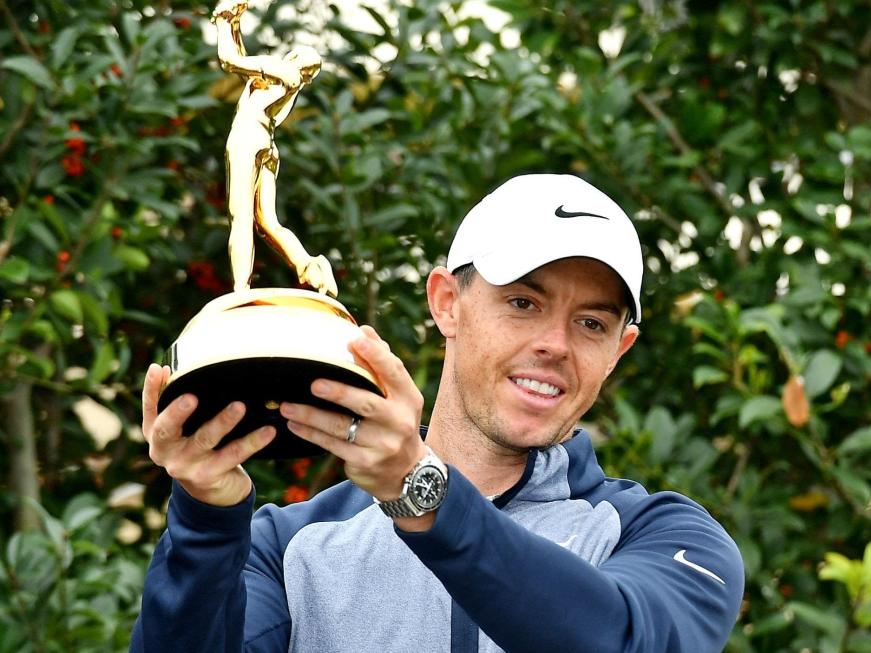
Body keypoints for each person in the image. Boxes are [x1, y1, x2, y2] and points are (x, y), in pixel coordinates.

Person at [130, 174, 744, 652]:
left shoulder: (665, 537)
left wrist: (422, 494)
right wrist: (207, 521)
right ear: (447, 303)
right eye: (524, 302)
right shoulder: (291, 545)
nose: (555, 344)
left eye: (591, 323)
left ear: (618, 350)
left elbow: (618, 642)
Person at [213, 1, 336, 294]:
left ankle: (240, 291)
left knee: (240, 217)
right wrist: (235, 24)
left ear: (292, 58)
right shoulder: (287, 82)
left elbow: (229, 60)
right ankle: (311, 267)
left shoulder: (280, 69)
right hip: (267, 145)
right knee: (268, 222)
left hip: (247, 138)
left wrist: (220, 21)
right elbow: (244, 61)